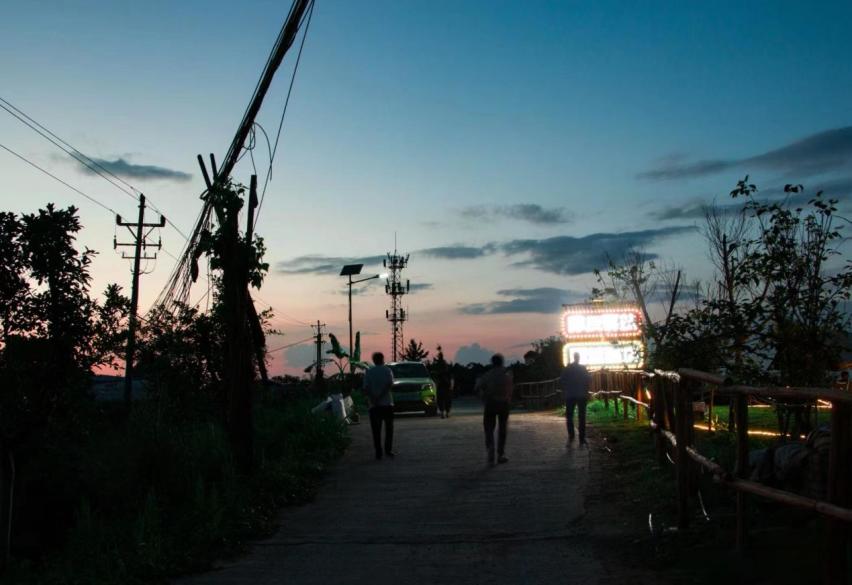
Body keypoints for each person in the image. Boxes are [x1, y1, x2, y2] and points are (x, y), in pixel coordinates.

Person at [475, 354, 513, 466]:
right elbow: (511, 389)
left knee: (489, 429)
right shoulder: (507, 374)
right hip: (504, 404)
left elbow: (477, 387)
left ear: (492, 362)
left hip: (490, 403)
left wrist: (483, 397)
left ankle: (490, 450)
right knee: (502, 429)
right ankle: (500, 454)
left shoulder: (488, 375)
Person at [363, 352, 395, 460]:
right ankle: (388, 450)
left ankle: (378, 452)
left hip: (374, 406)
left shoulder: (369, 371)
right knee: (389, 428)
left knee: (376, 430)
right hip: (387, 404)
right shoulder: (387, 370)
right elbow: (389, 385)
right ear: (382, 359)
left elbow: (366, 388)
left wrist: (374, 398)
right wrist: (381, 396)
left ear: (374, 360)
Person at [559, 352, 591, 446]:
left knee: (569, 416)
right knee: (582, 417)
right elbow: (588, 379)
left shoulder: (567, 368)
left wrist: (566, 388)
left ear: (573, 357)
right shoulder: (583, 368)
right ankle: (581, 438)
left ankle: (571, 435)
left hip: (570, 395)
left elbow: (562, 380)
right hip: (581, 395)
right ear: (579, 358)